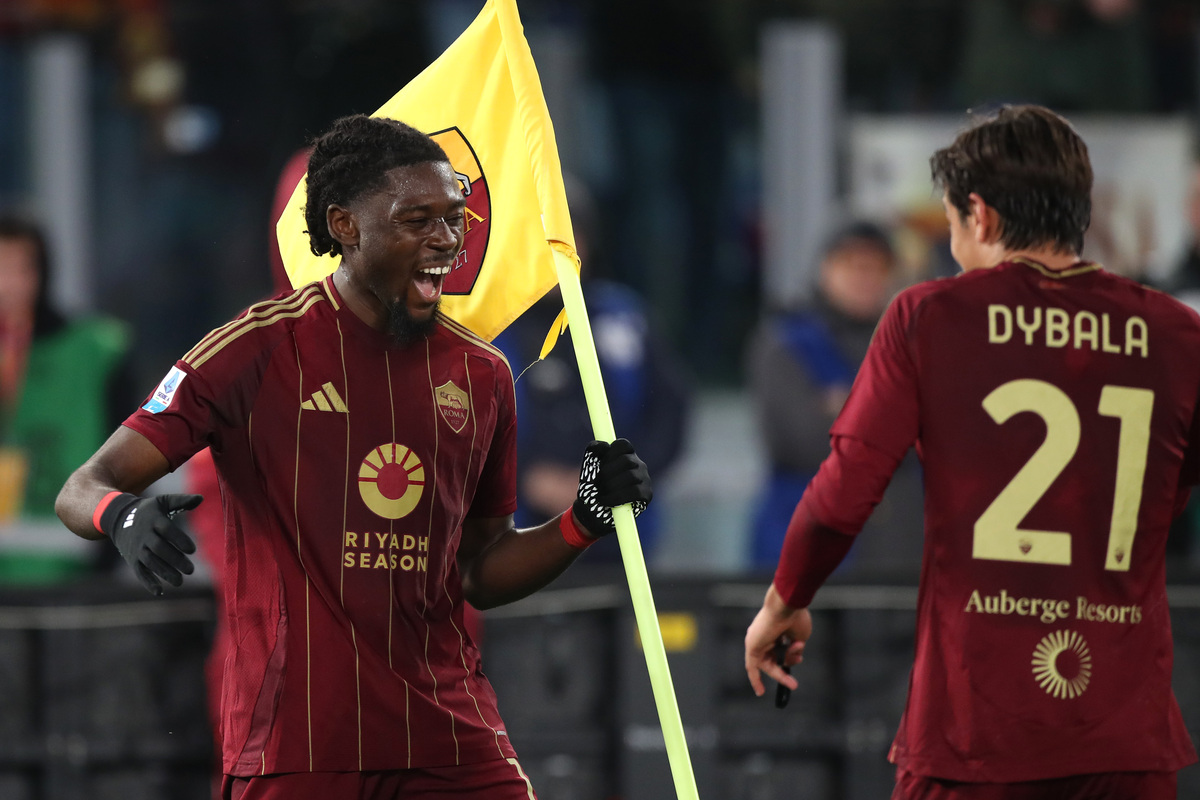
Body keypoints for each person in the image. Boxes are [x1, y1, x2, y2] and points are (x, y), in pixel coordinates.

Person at [55, 114, 653, 800]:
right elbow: (83, 485)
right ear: (344, 226)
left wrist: (581, 521)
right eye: (417, 220)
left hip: (449, 738)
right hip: (298, 746)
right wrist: (120, 515)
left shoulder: (483, 374)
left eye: (453, 219)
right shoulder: (250, 352)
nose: (446, 240)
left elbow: (480, 573)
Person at [744, 104, 1199, 799]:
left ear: (979, 216)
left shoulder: (928, 317)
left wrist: (785, 600)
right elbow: (1171, 490)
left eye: (952, 226)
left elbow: (841, 498)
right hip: (1124, 736)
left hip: (975, 734)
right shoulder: (1175, 332)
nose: (954, 249)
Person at [493, 176, 691, 563]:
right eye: (539, 240)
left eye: (567, 238)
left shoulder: (625, 319)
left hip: (621, 541)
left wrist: (624, 479)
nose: (552, 253)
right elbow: (457, 432)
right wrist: (526, 479)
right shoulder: (487, 331)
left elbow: (670, 412)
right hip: (516, 542)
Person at [745, 220, 923, 572]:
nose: (864, 278)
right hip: (810, 548)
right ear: (826, 268)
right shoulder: (788, 341)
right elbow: (802, 441)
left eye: (876, 268)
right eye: (852, 266)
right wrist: (900, 419)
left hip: (899, 549)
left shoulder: (913, 343)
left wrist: (848, 410)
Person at [0, 213, 133, 581]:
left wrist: (109, 552)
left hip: (76, 570)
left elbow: (134, 458)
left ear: (43, 272)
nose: (8, 284)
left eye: (20, 268)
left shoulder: (98, 351)